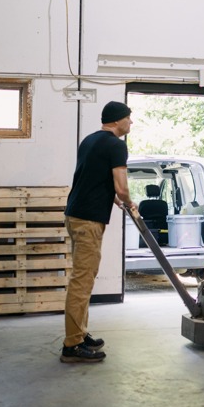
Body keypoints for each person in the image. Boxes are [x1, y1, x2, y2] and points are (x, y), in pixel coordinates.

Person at [60, 100, 139, 364]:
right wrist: (128, 203)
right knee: (82, 281)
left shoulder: (90, 141)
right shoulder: (117, 145)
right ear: (117, 120)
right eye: (128, 118)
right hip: (88, 220)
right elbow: (121, 186)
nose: (131, 122)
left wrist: (117, 202)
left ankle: (79, 334)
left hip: (75, 214)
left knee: (84, 277)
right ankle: (72, 345)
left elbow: (95, 180)